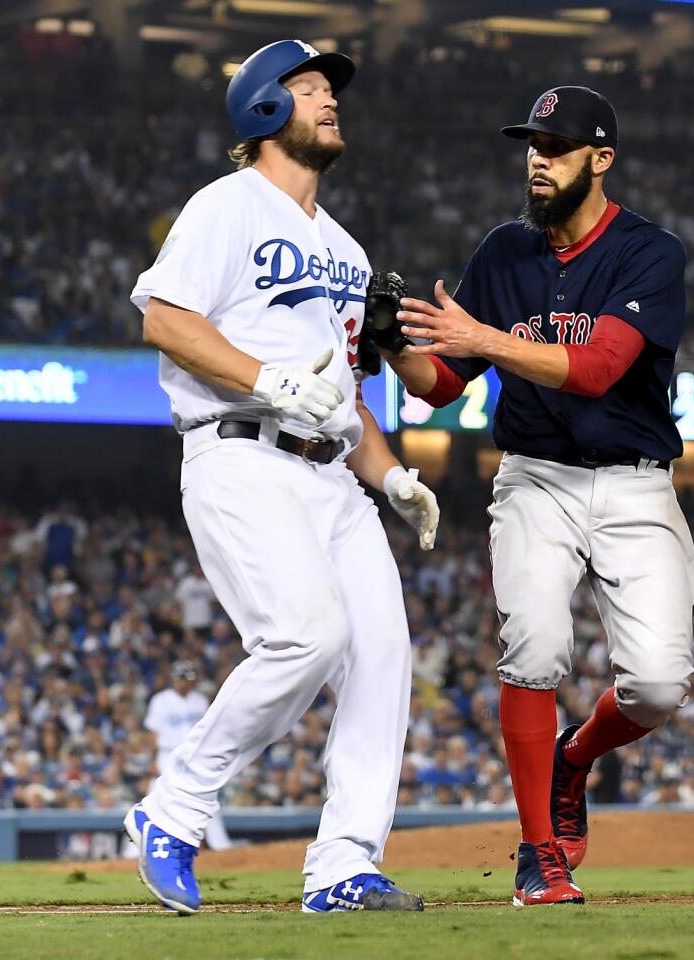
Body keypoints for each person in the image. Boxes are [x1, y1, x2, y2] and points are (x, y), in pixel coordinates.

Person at [122, 38, 438, 916]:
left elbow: (346, 397)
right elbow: (167, 322)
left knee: (382, 660)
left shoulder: (344, 245)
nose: (329, 100)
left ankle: (343, 866)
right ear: (262, 108)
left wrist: (394, 478)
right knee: (307, 635)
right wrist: (267, 379)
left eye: (330, 90)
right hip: (240, 452)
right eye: (307, 89)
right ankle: (173, 809)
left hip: (333, 474)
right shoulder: (225, 206)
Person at [387, 85, 694, 906]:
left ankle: (574, 756)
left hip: (634, 484)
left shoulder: (648, 253)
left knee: (658, 687)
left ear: (600, 159)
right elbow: (438, 386)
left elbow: (596, 369)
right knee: (532, 650)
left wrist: (485, 338)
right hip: (535, 478)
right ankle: (536, 853)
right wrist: (390, 342)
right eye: (532, 142)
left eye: (556, 146)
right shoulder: (502, 252)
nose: (537, 157)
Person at [144, 661, 232, 850]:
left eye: (189, 679)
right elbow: (152, 733)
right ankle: (136, 847)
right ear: (175, 678)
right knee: (156, 796)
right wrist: (152, 760)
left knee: (206, 796)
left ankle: (221, 846)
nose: (186, 683)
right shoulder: (160, 700)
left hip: (195, 756)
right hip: (167, 754)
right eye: (183, 679)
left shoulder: (199, 700)